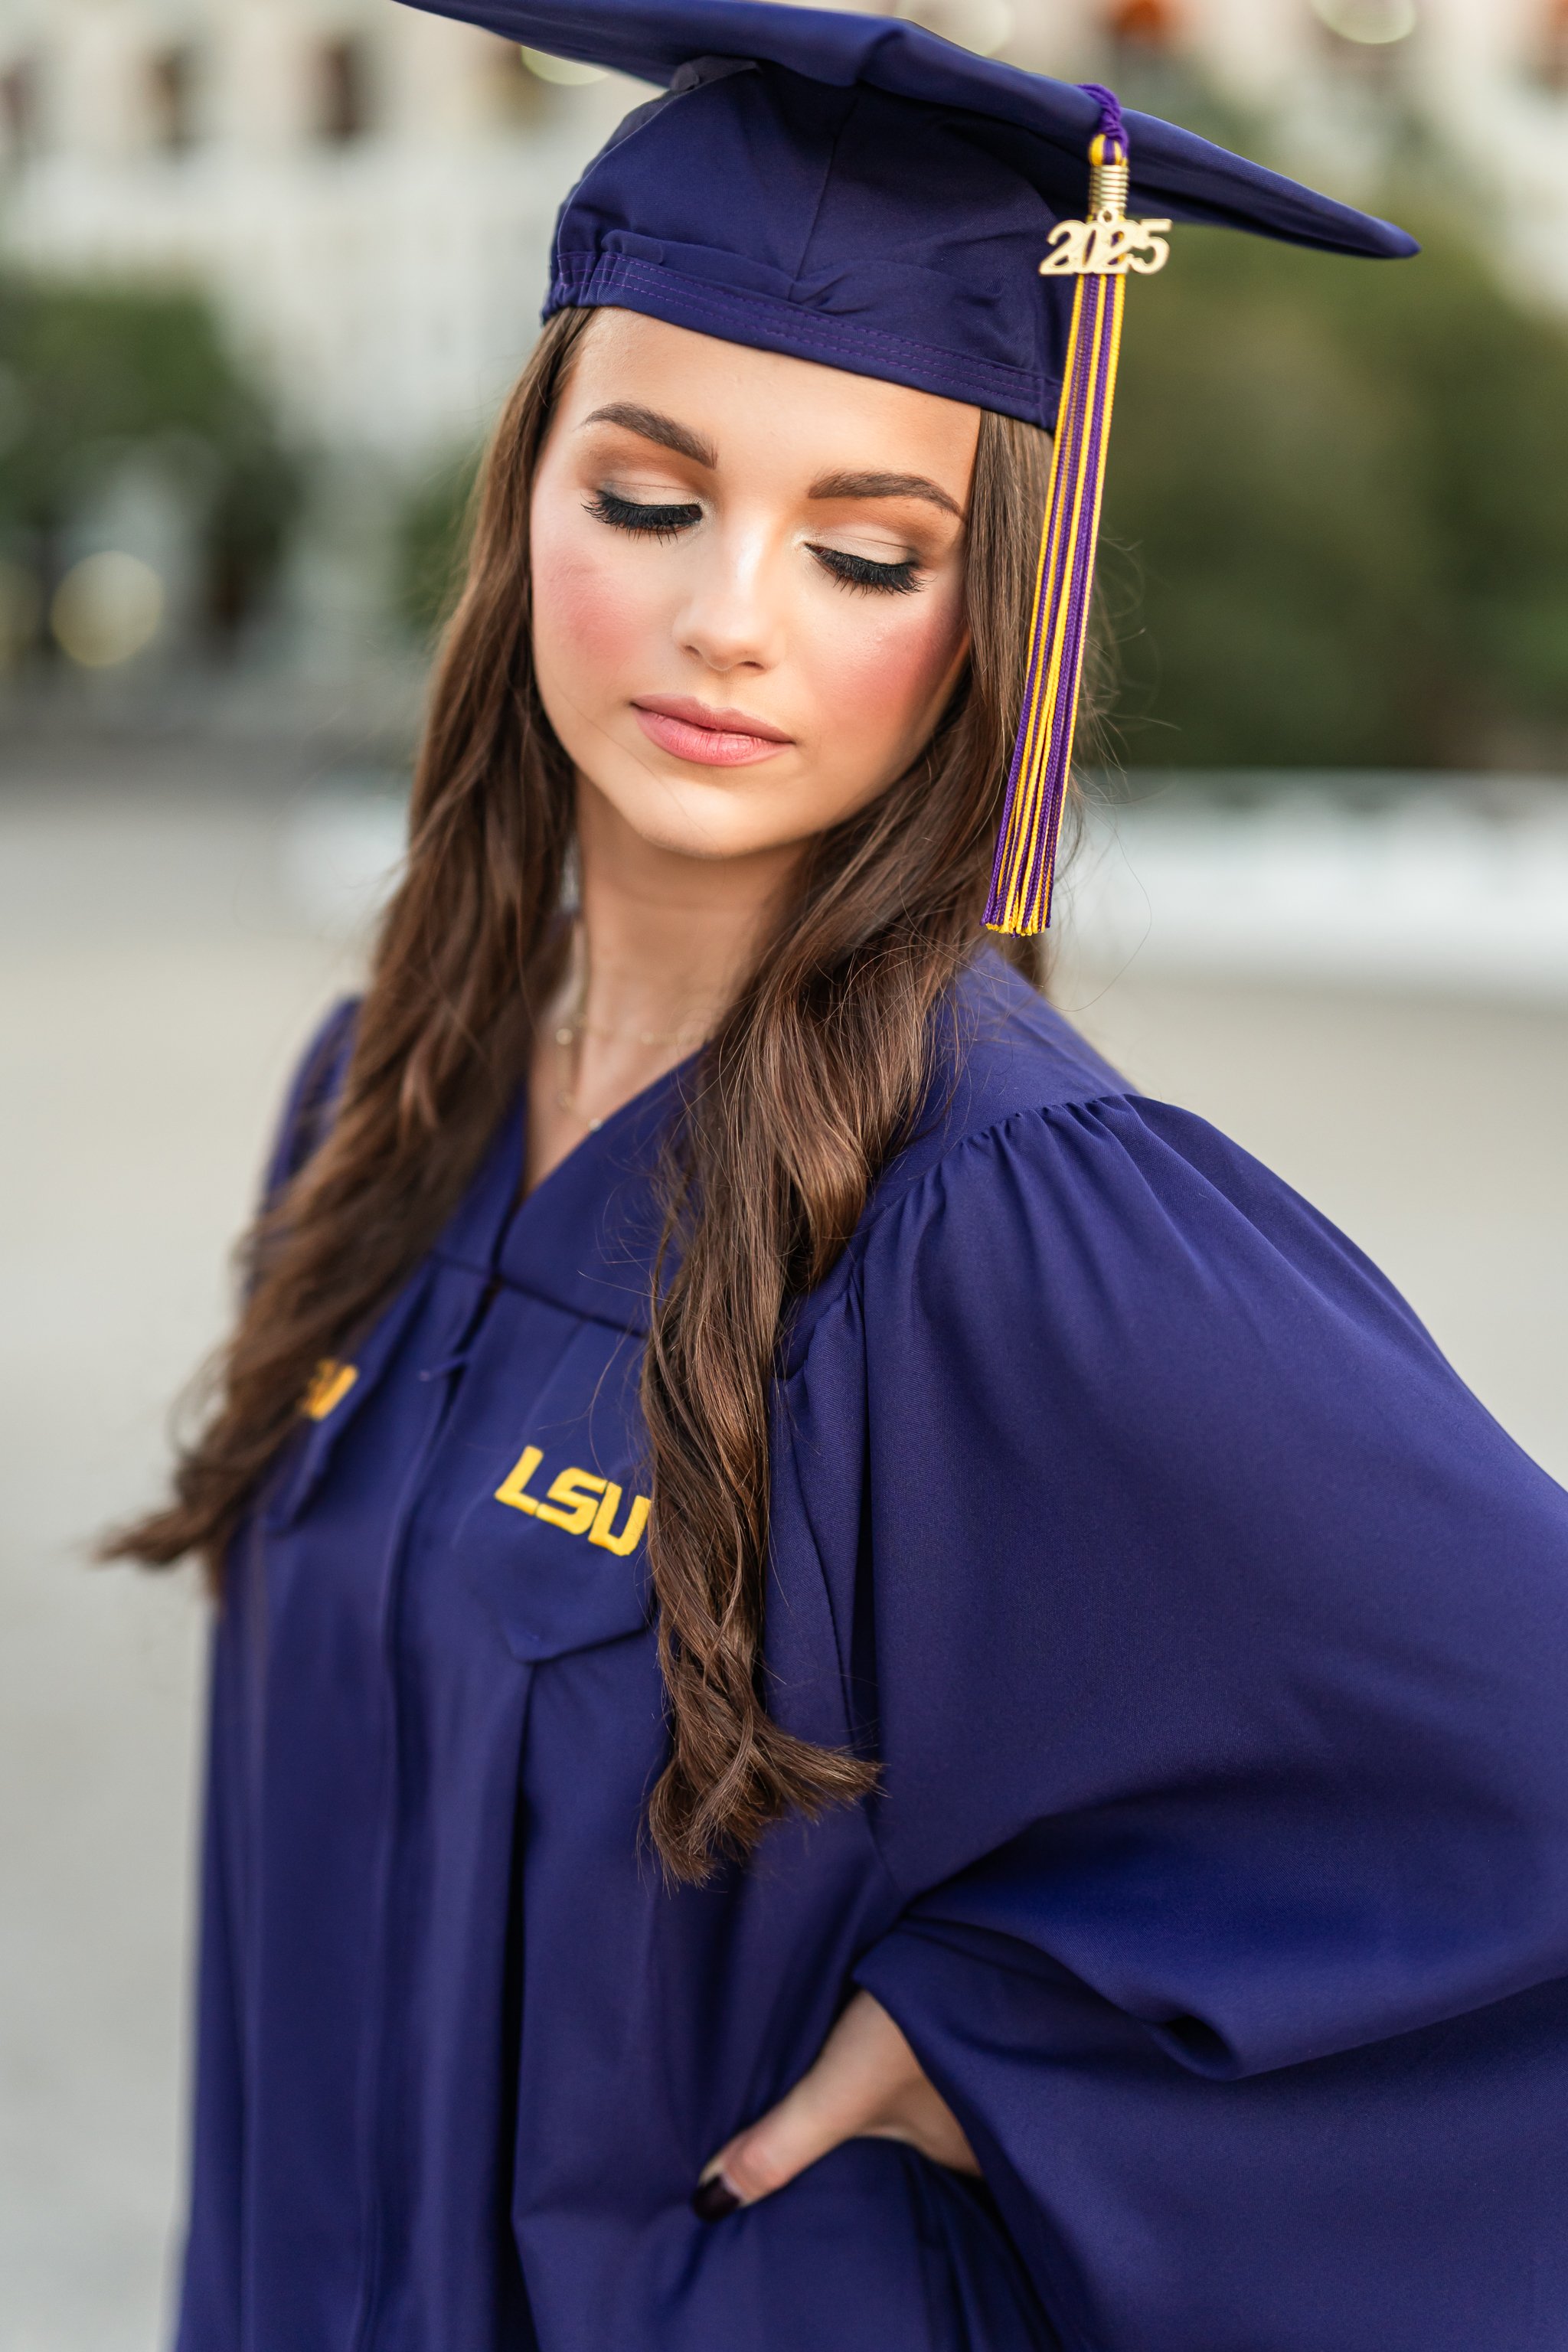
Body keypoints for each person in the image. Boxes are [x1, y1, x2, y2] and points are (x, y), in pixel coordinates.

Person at [115, 6, 1568, 2348]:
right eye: (652, 499)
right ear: (527, 505)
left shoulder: (1014, 1220)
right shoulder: (379, 1098)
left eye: (867, 551)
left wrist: (1023, 2039)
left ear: (980, 613)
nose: (732, 620)